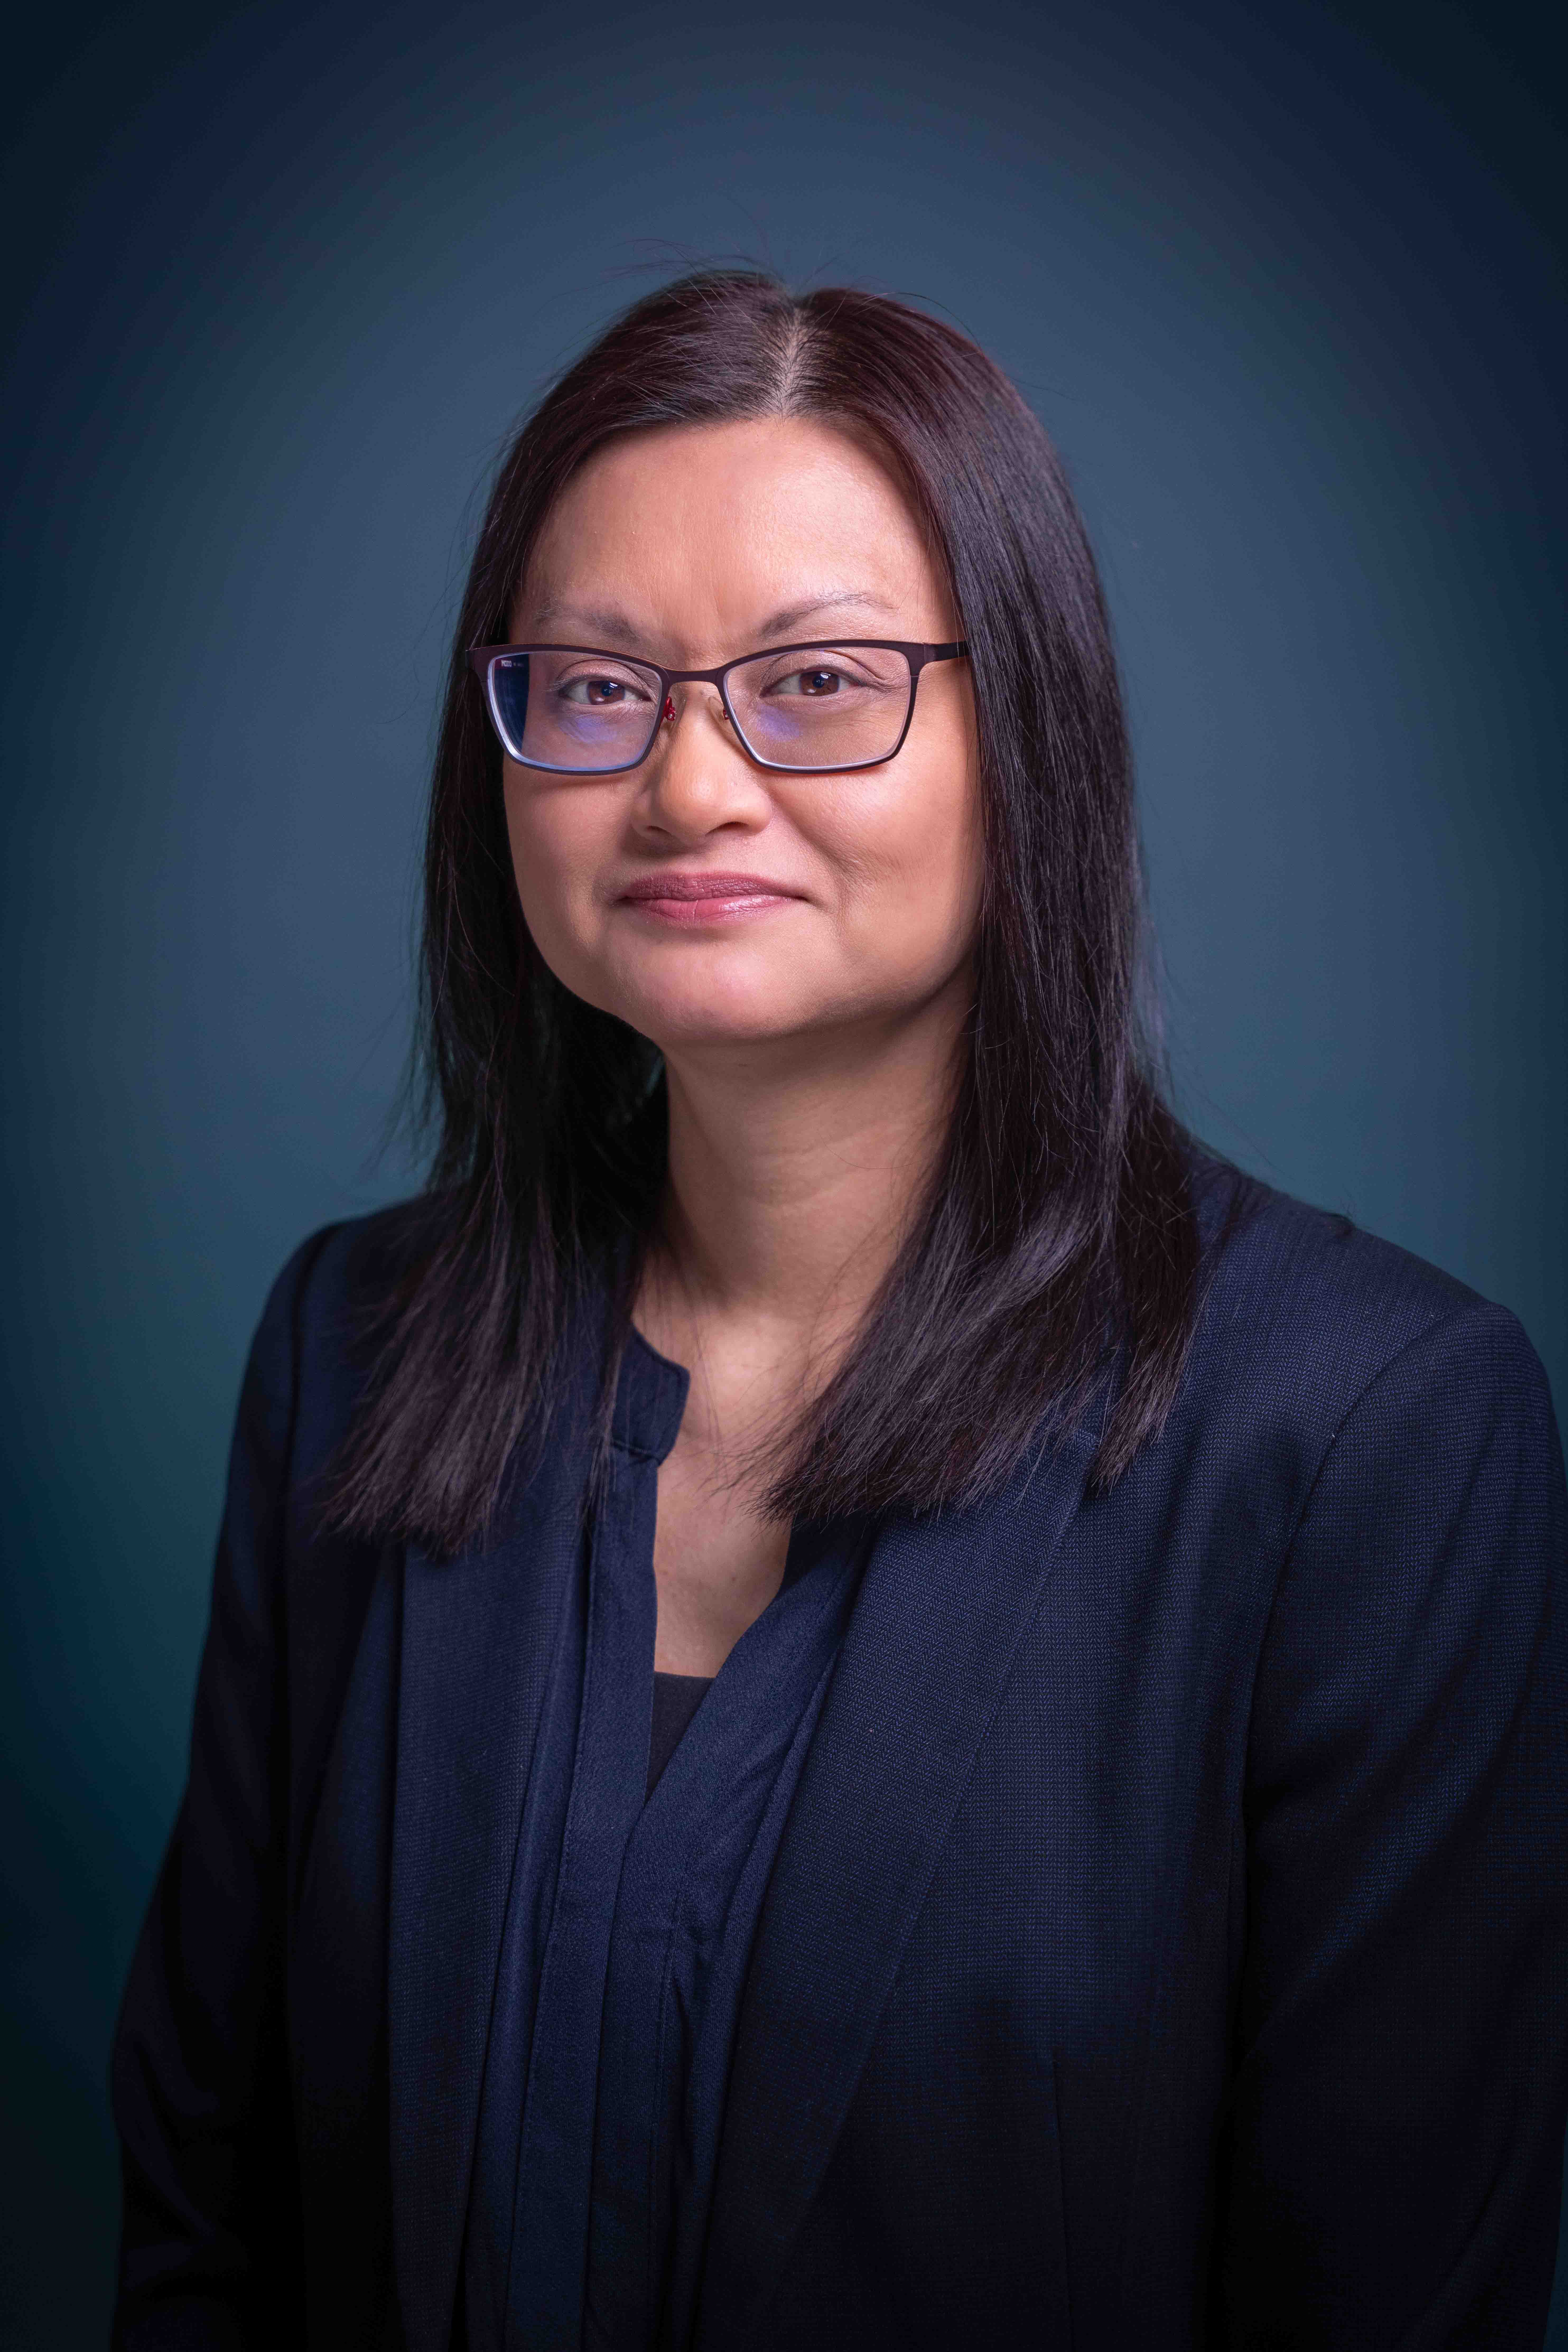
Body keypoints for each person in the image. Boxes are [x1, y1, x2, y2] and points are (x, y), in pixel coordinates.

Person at [110, 271, 1568, 2352]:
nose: (689, 790)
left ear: (1029, 736)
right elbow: (205, 2218)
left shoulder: (1372, 1438)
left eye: (816, 682)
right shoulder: (354, 1344)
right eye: (597, 690)